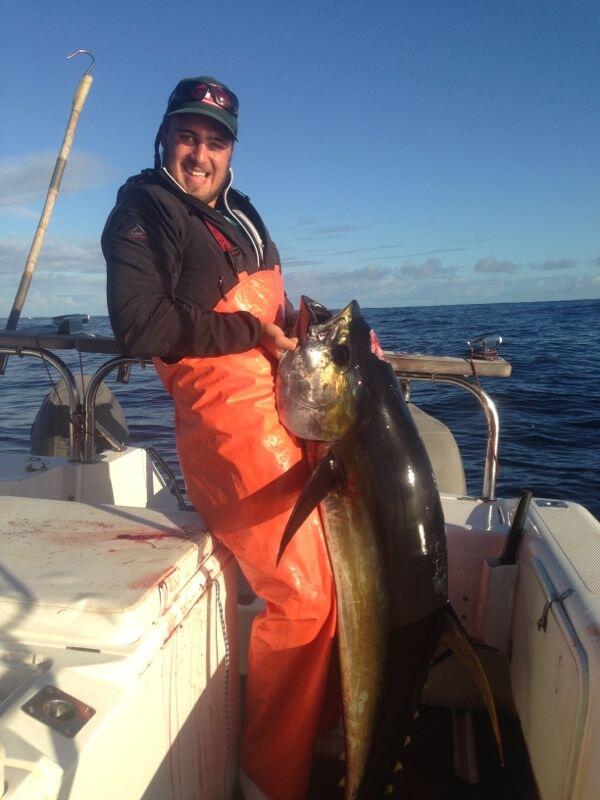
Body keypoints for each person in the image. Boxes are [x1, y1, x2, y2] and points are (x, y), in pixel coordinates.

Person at [102, 77, 338, 800]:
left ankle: (321, 739)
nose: (200, 154)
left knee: (332, 584)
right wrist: (249, 333)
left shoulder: (243, 212)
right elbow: (139, 325)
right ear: (164, 137)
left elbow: (271, 313)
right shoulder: (143, 209)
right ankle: (268, 781)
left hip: (287, 409)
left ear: (232, 150)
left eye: (215, 141)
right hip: (229, 431)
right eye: (187, 136)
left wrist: (322, 336)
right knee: (302, 601)